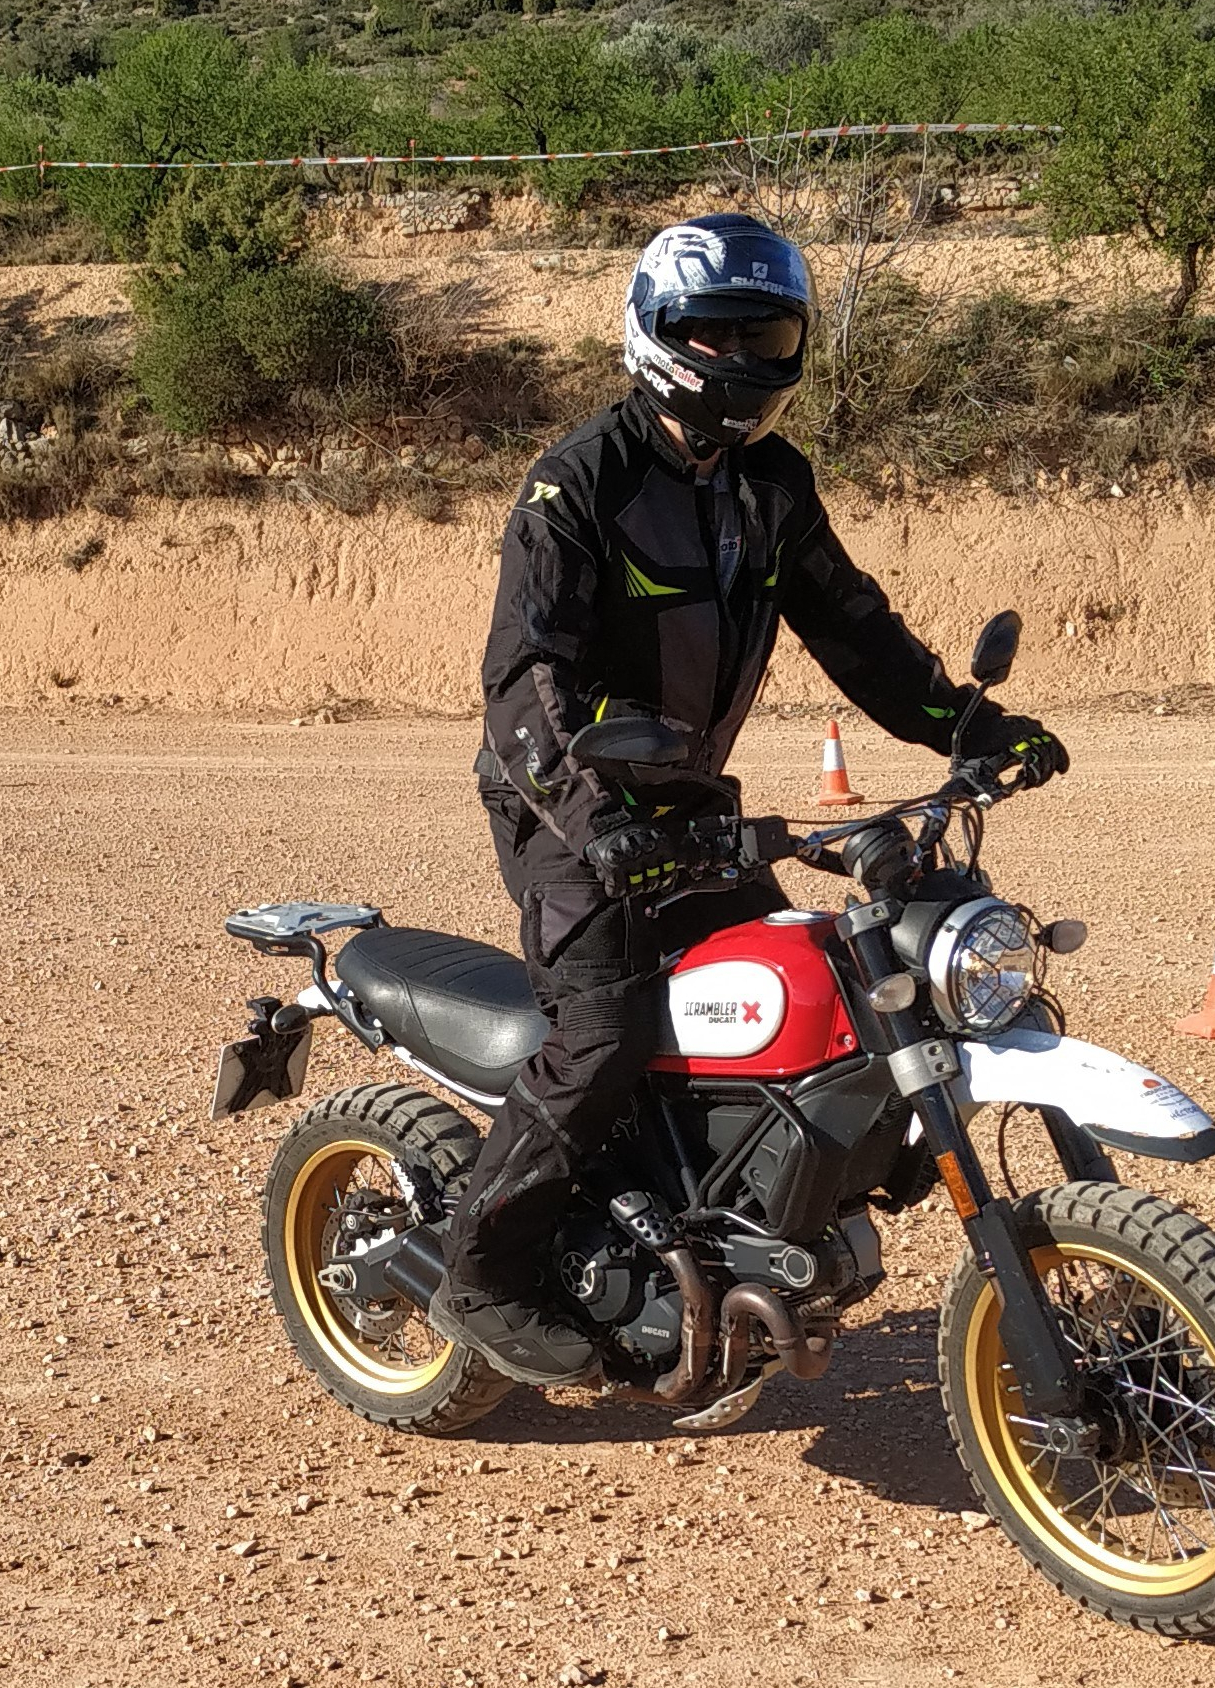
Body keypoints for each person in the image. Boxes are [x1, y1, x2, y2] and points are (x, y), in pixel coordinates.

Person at [429, 213, 1068, 1384]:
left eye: (764, 334)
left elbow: (855, 629)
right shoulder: (578, 484)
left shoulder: (770, 484)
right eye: (716, 333)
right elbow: (525, 685)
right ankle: (483, 1274)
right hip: (564, 804)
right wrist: (599, 825)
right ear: (660, 334)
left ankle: (726, 1218)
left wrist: (969, 727)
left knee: (806, 990)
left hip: (686, 798)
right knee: (605, 1027)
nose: (740, 357)